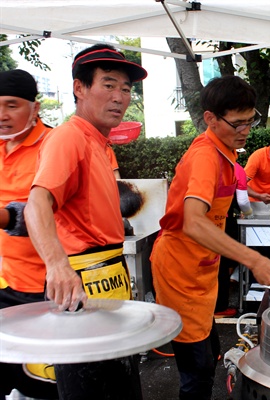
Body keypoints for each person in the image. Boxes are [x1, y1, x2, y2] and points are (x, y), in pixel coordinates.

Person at [24, 43, 148, 398]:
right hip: (80, 291)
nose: (120, 97)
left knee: (121, 387)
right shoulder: (69, 137)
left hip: (109, 284)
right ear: (80, 88)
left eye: (125, 88)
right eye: (108, 85)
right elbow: (37, 203)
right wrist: (56, 265)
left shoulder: (100, 143)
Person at [150, 75, 270, 399]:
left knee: (208, 358)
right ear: (210, 118)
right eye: (237, 124)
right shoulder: (205, 156)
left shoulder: (226, 153)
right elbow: (194, 222)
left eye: (250, 122)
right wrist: (254, 259)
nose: (245, 131)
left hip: (202, 270)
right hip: (180, 272)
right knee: (196, 372)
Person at [0, 69, 58, 399]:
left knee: (44, 384)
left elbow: (42, 214)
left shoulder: (52, 146)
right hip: (8, 282)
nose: (2, 116)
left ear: (34, 108)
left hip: (48, 290)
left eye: (11, 105)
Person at [215, 161, 254, 318]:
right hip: (220, 221)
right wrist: (250, 214)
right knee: (220, 264)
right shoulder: (237, 169)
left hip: (199, 220)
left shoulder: (202, 162)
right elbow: (243, 201)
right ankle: (219, 307)